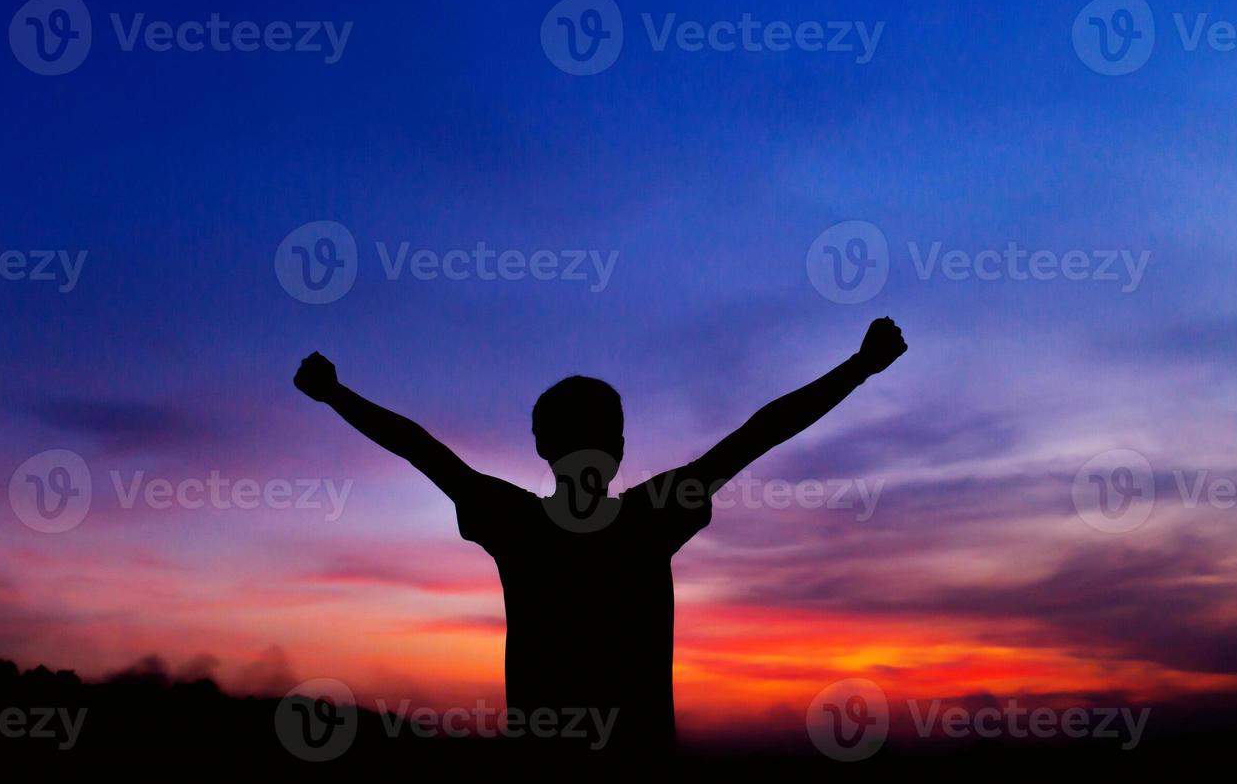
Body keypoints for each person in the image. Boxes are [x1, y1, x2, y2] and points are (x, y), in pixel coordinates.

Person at [293, 317, 908, 757]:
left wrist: (335, 394)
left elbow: (422, 449)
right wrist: (859, 367)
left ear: (541, 448)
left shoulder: (518, 524)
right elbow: (759, 433)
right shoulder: (651, 517)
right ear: (619, 449)